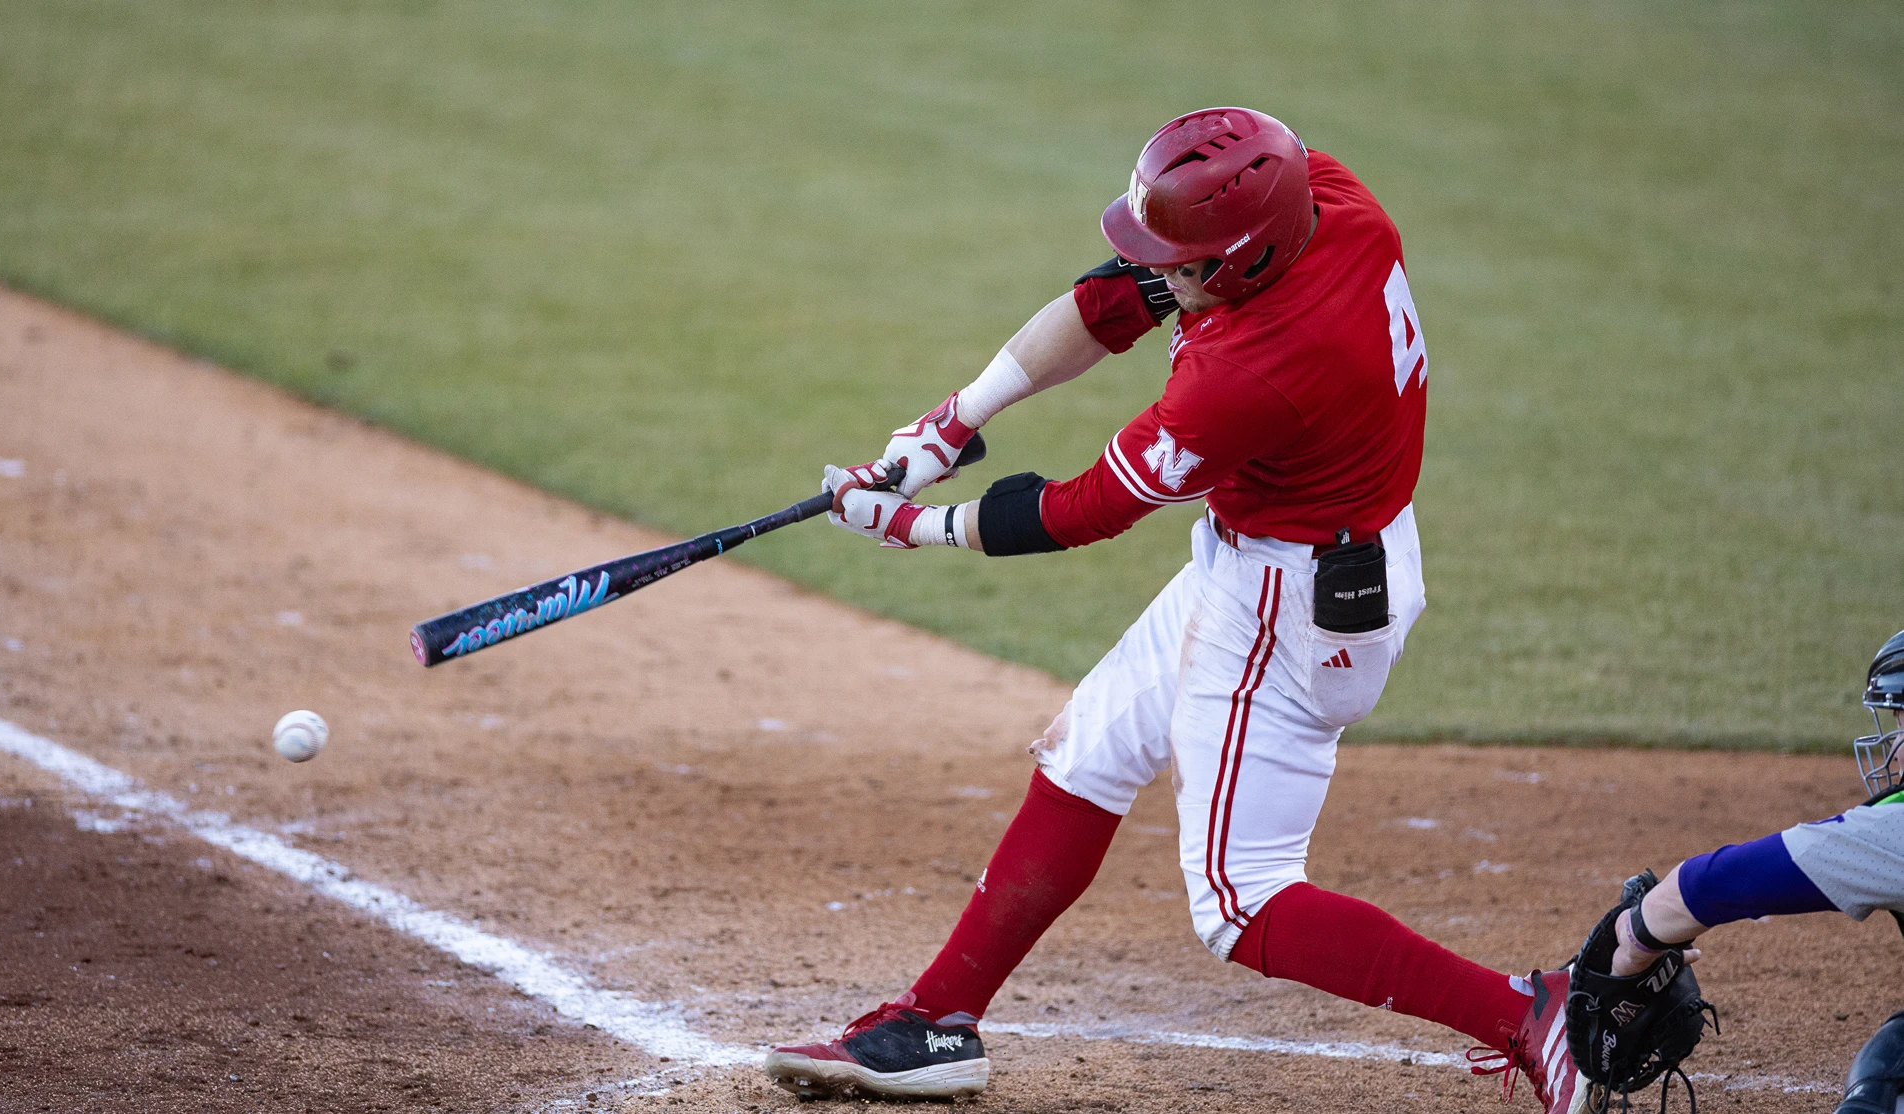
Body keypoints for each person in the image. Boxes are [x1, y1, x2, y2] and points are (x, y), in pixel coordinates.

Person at [762, 106, 1585, 1112]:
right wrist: (952, 420)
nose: (1165, 273)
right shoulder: (1322, 196)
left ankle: (1528, 1011)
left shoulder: (1251, 374)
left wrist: (908, 527)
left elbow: (1081, 510)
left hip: (1289, 611)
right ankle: (939, 1021)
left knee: (1244, 903)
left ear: (1240, 261)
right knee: (1088, 751)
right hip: (1282, 551)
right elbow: (1115, 301)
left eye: (1184, 260)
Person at [1594, 630, 1904, 1114]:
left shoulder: (1894, 834)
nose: (1894, 745)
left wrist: (1634, 939)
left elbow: (1718, 884)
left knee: (1884, 1088)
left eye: (1903, 720)